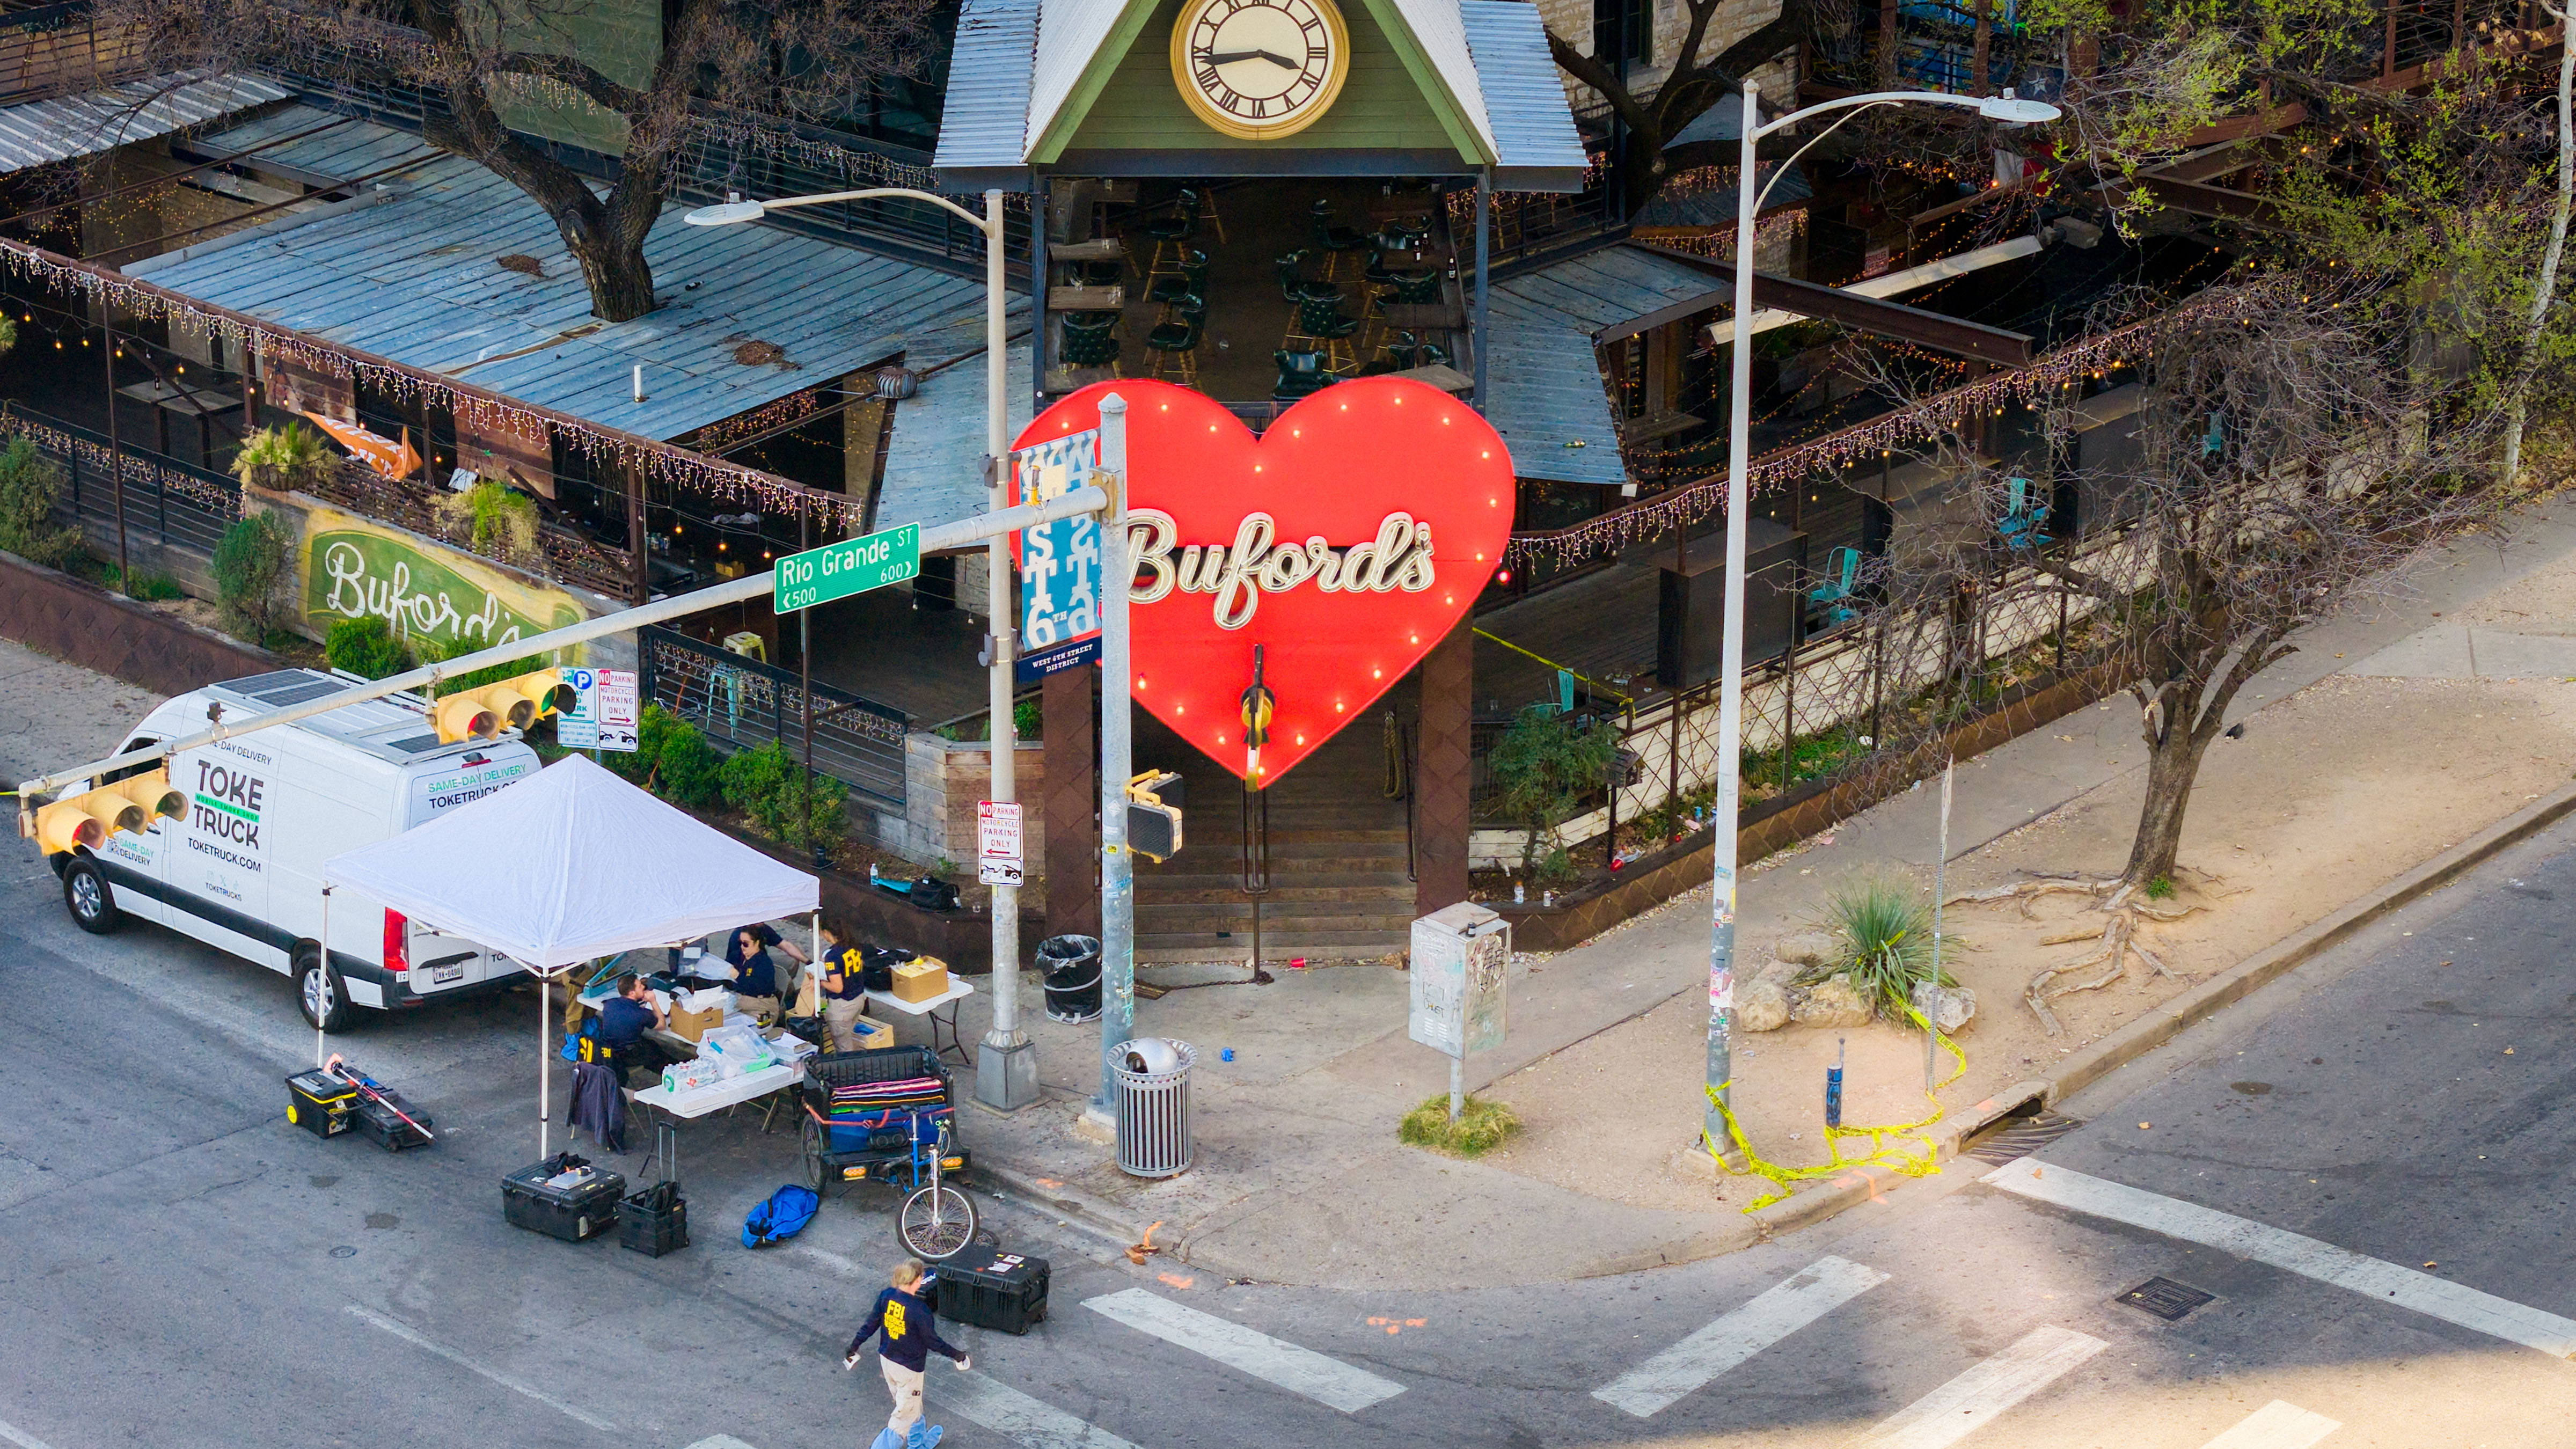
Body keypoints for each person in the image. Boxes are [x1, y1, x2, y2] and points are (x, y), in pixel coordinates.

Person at [843, 1258, 969, 1449]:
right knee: (903, 1416)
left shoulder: (886, 1296)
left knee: (909, 1405)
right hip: (909, 1369)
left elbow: (870, 1324)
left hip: (887, 1361)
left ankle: (917, 1442)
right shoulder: (920, 1310)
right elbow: (932, 1341)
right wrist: (957, 1355)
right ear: (919, 1280)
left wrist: (854, 1346)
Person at [595, 974, 678, 1087]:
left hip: (610, 1050)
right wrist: (653, 1002)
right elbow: (661, 1026)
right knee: (658, 1057)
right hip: (628, 1055)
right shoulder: (641, 1014)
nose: (643, 987)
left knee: (651, 1045)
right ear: (632, 993)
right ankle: (675, 1074)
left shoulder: (609, 1004)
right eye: (639, 986)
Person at [723, 921, 806, 1023]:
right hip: (742, 995)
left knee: (789, 965)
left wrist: (809, 962)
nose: (742, 947)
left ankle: (789, 1003)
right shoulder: (738, 944)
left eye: (745, 944)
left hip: (758, 999)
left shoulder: (763, 962)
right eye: (741, 943)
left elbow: (755, 988)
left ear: (757, 943)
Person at [817, 918, 878, 1053]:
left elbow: (837, 987)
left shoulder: (832, 956)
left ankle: (850, 1071)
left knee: (844, 1049)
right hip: (858, 999)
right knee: (849, 1035)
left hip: (842, 1006)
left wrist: (819, 981)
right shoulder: (854, 946)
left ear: (827, 933)